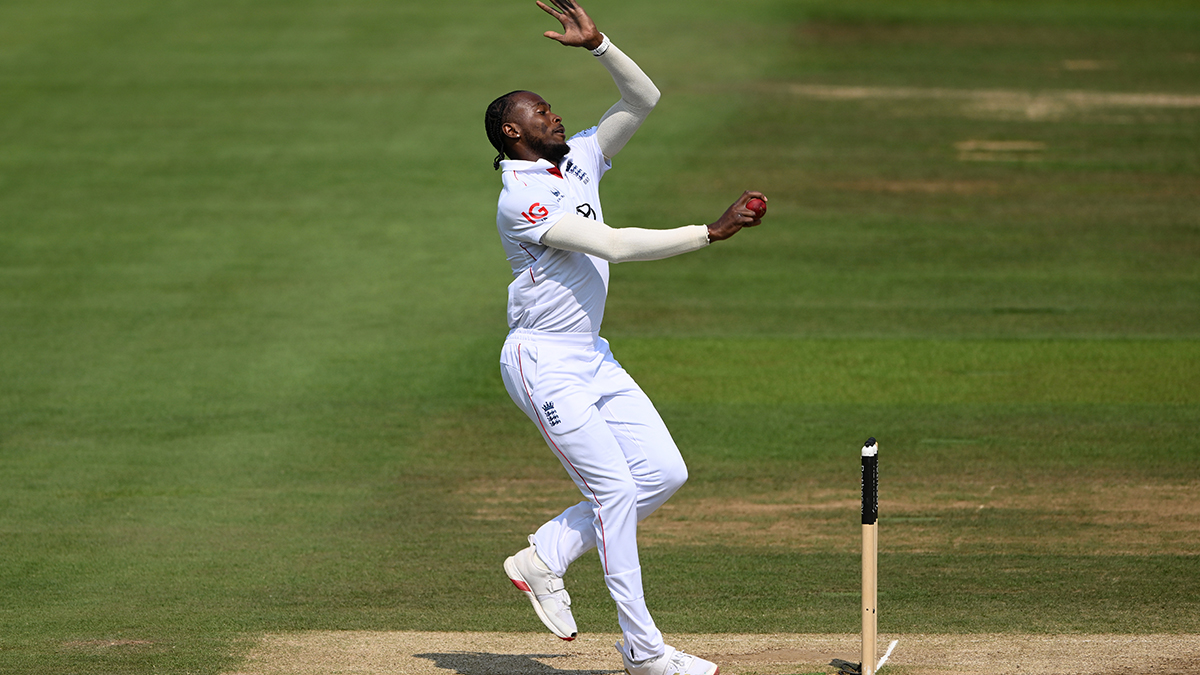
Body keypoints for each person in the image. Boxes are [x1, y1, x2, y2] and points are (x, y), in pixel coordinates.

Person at [485, 2, 765, 674]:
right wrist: (709, 232)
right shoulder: (520, 198)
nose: (555, 117)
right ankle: (645, 652)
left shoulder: (580, 157)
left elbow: (643, 98)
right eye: (541, 113)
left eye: (553, 109)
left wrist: (600, 45)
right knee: (614, 493)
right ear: (512, 131)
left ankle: (546, 555)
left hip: (591, 355)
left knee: (663, 473)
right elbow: (610, 244)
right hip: (543, 363)